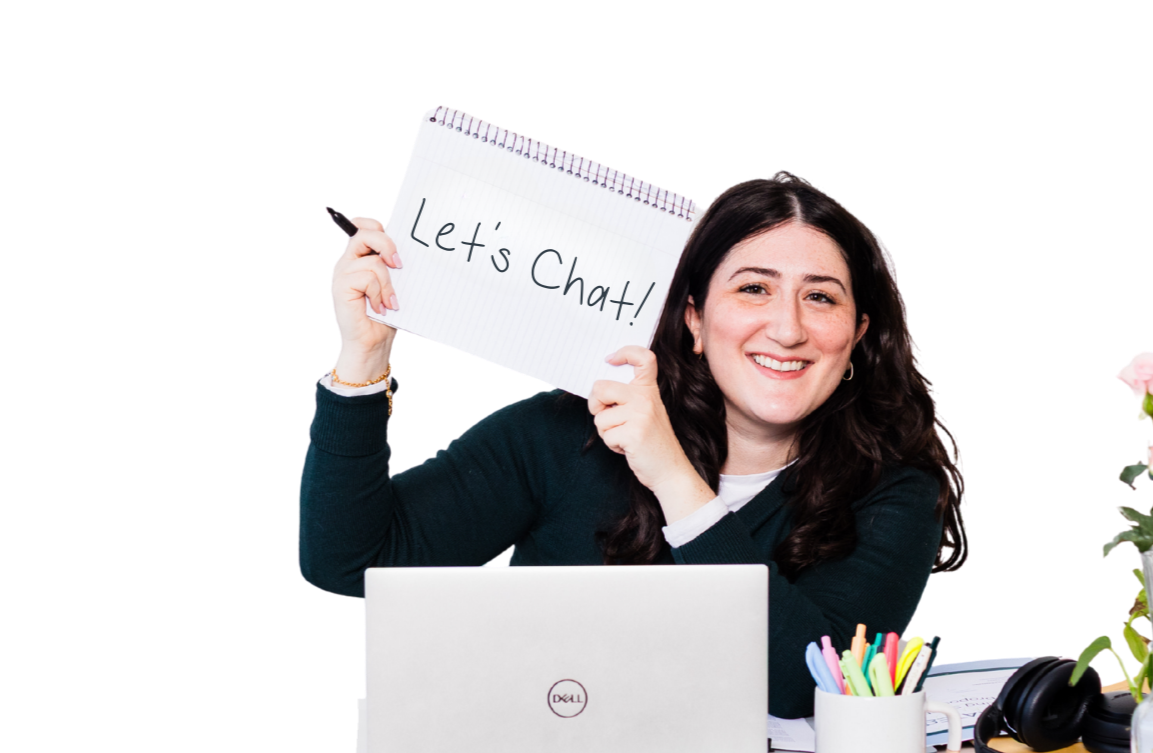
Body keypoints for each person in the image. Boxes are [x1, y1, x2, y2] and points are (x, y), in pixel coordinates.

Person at [300, 171, 967, 719]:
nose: (787, 328)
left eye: (820, 297)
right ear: (695, 319)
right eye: (754, 288)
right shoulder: (562, 434)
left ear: (856, 335)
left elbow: (810, 689)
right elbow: (348, 561)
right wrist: (359, 361)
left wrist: (673, 477)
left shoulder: (895, 488)